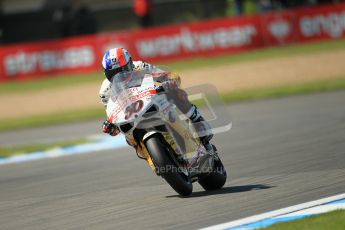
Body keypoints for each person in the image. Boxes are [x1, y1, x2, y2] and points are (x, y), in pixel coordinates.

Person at [99, 47, 214, 151]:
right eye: (113, 73)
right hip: (132, 115)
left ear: (129, 64)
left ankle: (197, 120)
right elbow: (112, 115)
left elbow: (168, 76)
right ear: (106, 73)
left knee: (176, 93)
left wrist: (169, 82)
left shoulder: (140, 67)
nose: (119, 75)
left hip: (152, 101)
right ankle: (152, 159)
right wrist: (111, 126)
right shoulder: (105, 91)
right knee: (129, 140)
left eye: (122, 70)